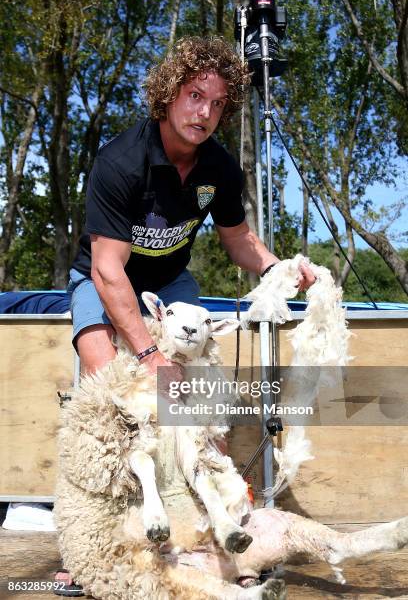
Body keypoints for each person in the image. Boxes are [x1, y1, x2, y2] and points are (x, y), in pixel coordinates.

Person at [55, 35, 315, 596]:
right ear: (168, 94)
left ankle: (218, 536)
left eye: (218, 103)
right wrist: (147, 356)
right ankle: (90, 552)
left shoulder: (218, 167)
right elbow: (107, 269)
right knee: (112, 402)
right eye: (195, 95)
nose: (205, 113)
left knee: (198, 407)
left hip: (171, 284)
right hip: (105, 277)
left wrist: (280, 268)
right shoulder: (121, 162)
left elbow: (239, 239)